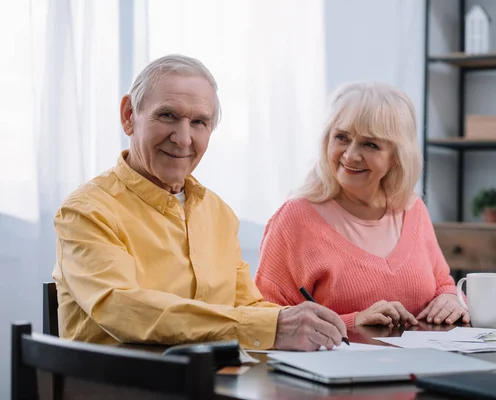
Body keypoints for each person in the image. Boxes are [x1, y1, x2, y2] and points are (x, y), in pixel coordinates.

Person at [52, 54, 346, 351]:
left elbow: (247, 306)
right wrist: (271, 327)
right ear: (129, 115)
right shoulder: (86, 211)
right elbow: (123, 309)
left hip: (211, 381)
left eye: (198, 122)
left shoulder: (218, 213)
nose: (183, 138)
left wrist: (320, 325)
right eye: (167, 115)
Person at [255, 82, 470, 328]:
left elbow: (443, 284)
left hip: (417, 365)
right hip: (332, 364)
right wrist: (353, 322)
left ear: (397, 157)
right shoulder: (295, 218)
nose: (350, 155)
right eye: (342, 138)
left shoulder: (413, 209)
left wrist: (451, 299)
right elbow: (269, 320)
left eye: (370, 144)